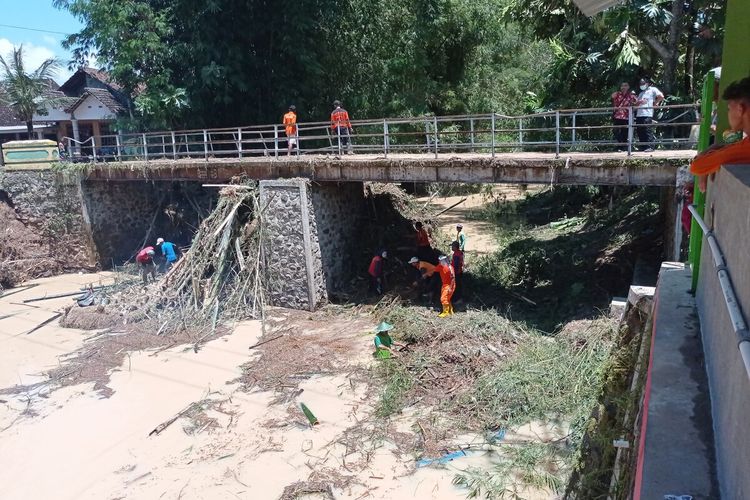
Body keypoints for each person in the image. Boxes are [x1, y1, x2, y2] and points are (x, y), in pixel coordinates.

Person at [691, 76, 750, 192]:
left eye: (729, 109)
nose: (728, 113)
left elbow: (697, 165)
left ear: (740, 109)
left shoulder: (745, 148)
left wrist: (717, 147)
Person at [635, 78, 665, 152]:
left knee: (647, 130)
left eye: (643, 83)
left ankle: (650, 146)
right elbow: (636, 103)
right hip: (639, 114)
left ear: (647, 83)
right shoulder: (641, 93)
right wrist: (639, 102)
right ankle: (643, 146)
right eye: (640, 84)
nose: (641, 85)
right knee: (640, 130)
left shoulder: (653, 89)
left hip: (647, 113)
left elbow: (661, 96)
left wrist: (656, 103)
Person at [611, 82, 637, 149]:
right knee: (616, 131)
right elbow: (612, 96)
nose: (623, 87)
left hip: (626, 116)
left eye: (625, 86)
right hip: (617, 116)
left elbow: (636, 102)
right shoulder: (617, 94)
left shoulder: (631, 95)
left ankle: (624, 147)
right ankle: (619, 145)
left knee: (625, 132)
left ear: (628, 87)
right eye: (622, 86)